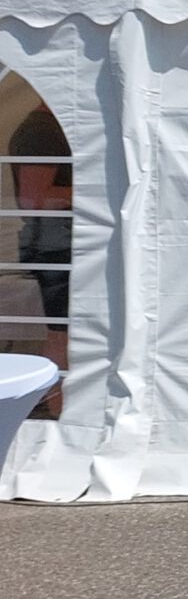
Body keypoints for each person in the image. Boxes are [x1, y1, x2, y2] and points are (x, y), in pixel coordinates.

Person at [9, 105, 72, 390]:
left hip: (57, 243)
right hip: (55, 246)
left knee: (69, 334)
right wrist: (96, 189)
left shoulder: (50, 129)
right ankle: (60, 411)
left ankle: (63, 408)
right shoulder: (42, 132)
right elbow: (33, 199)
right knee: (63, 335)